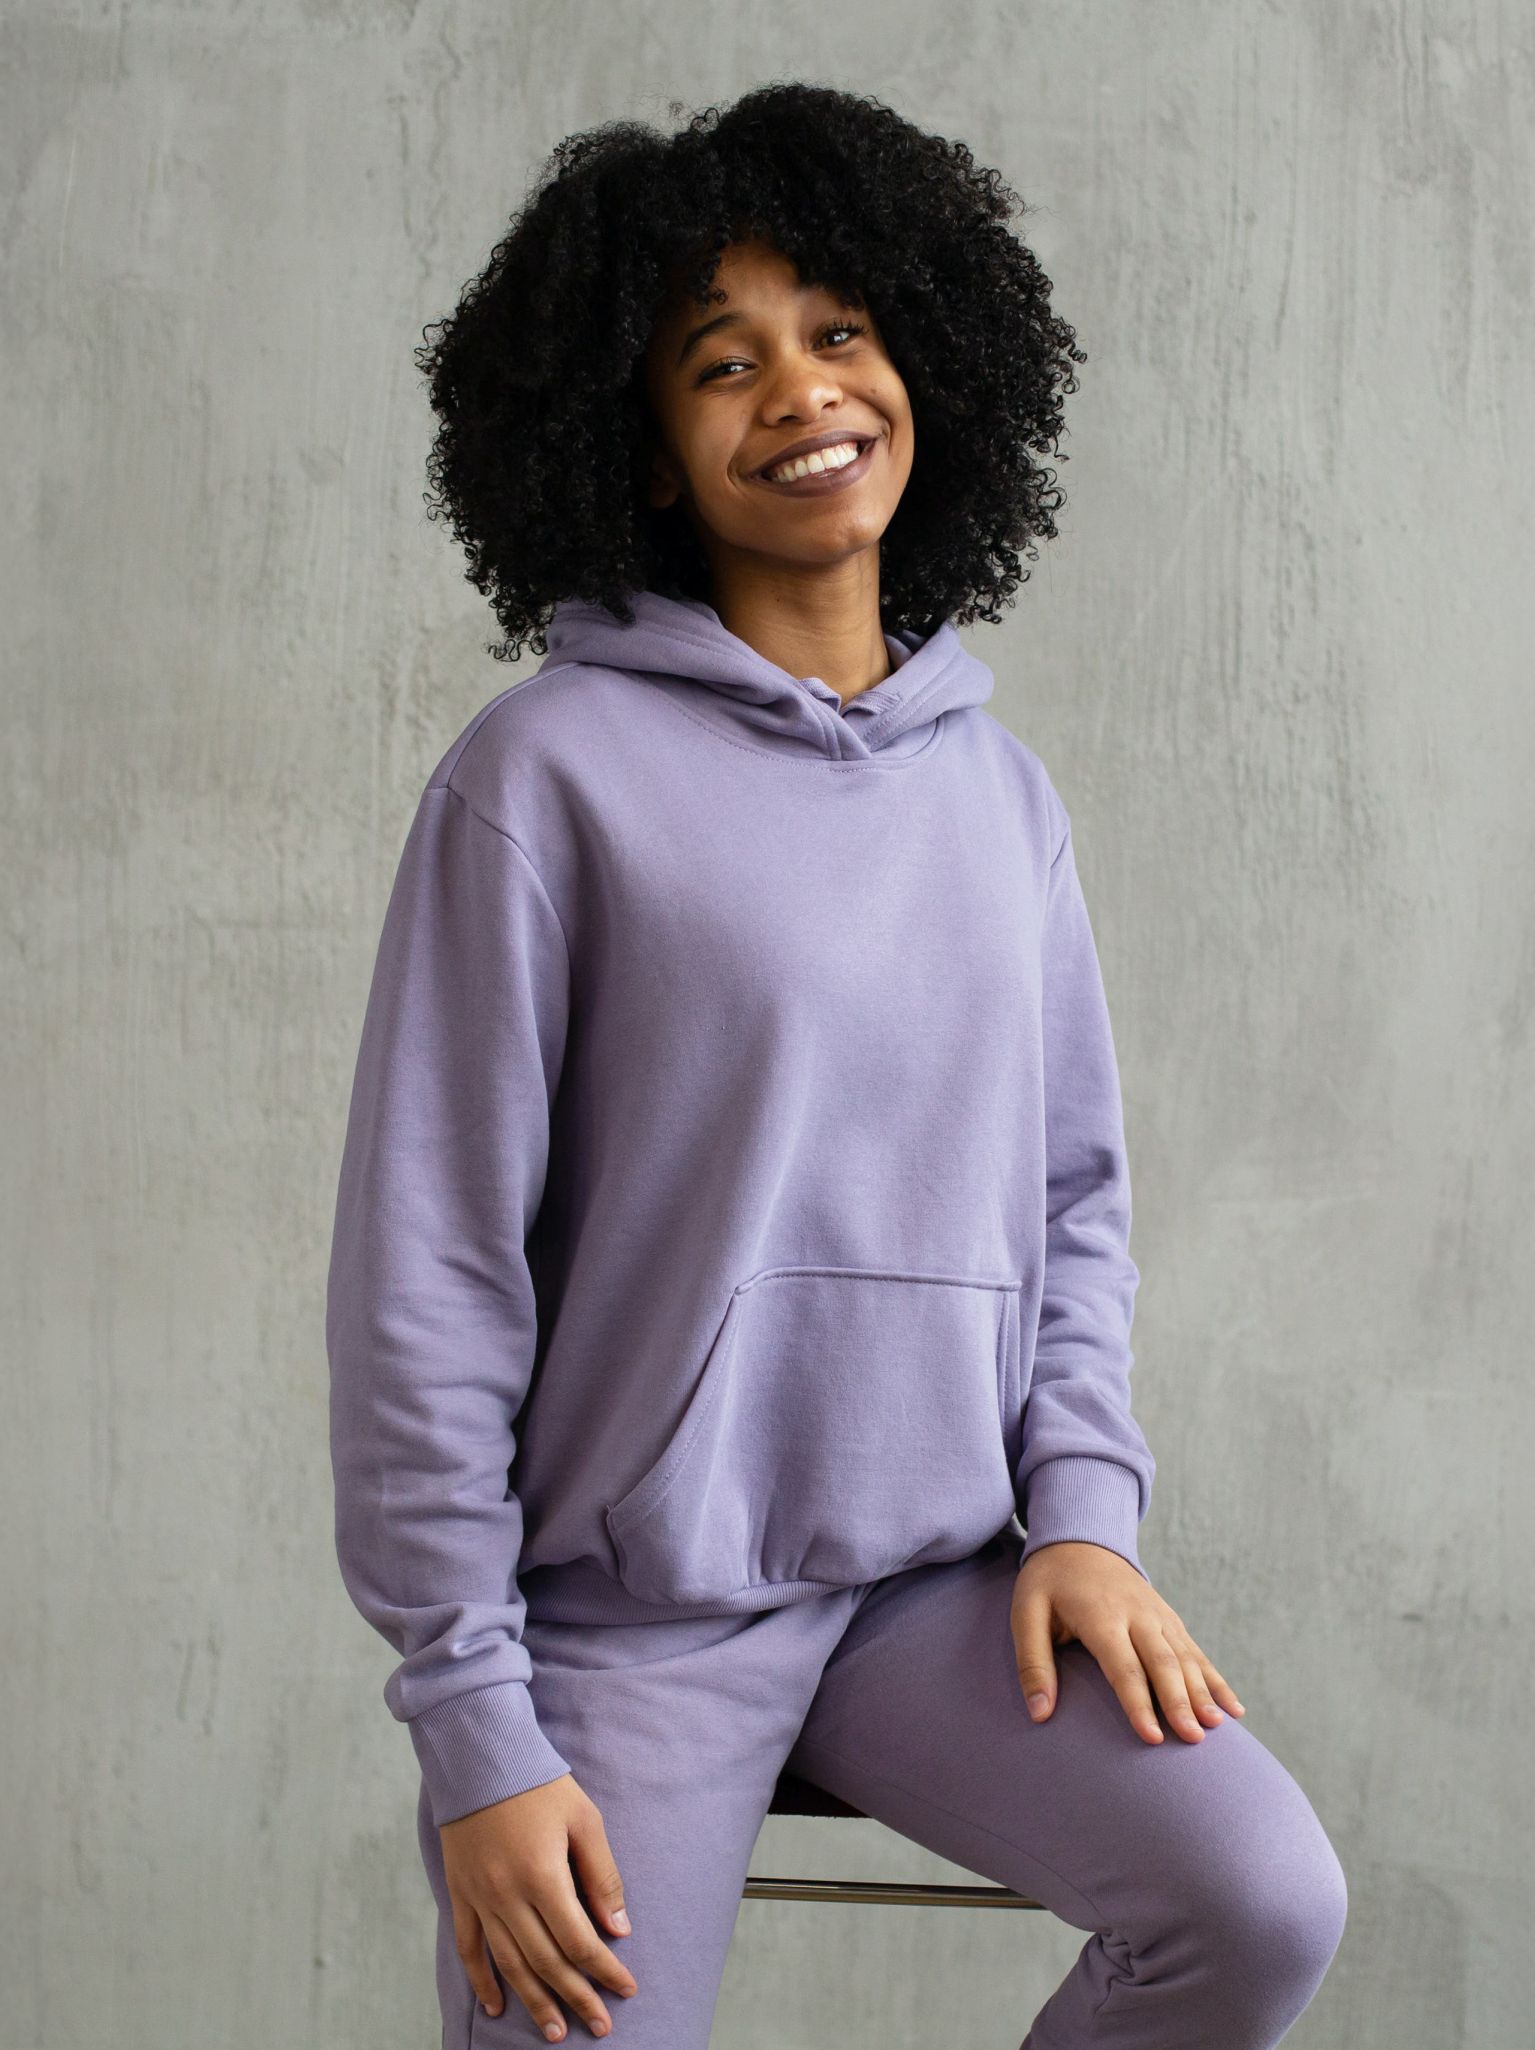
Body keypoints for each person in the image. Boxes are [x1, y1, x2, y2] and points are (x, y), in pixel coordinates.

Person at [326, 81, 1347, 2049]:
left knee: (1257, 1898)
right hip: (627, 1614)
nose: (801, 389)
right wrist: (473, 1722)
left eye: (841, 330)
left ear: (923, 365)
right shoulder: (543, 781)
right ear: (642, 445)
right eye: (723, 361)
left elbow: (1073, 1204)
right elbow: (428, 1271)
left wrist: (1085, 1515)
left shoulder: (1002, 797)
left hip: (937, 1594)